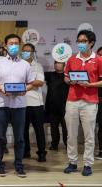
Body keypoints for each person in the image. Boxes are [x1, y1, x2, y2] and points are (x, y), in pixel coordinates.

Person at [0, 34, 35, 177]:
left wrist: (23, 90)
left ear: (19, 45)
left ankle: (19, 165)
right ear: (5, 45)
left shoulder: (26, 64)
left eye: (16, 43)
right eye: (11, 43)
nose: (14, 46)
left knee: (20, 137)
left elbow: (31, 83)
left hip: (20, 106)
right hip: (2, 104)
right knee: (0, 137)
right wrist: (2, 89)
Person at [63, 30, 102, 176]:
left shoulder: (98, 60)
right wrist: (69, 81)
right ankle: (72, 162)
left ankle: (87, 164)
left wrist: (90, 85)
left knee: (89, 135)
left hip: (90, 102)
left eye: (83, 41)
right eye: (79, 41)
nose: (80, 43)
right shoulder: (72, 59)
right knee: (71, 134)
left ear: (91, 43)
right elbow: (66, 78)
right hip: (72, 100)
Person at [21, 43, 47, 162]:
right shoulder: (17, 65)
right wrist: (31, 82)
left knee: (39, 130)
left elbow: (39, 82)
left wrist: (25, 83)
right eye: (24, 50)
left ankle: (42, 153)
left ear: (33, 53)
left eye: (29, 51)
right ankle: (25, 151)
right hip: (21, 103)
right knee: (23, 130)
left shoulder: (38, 66)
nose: (26, 53)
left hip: (36, 103)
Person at [45, 61, 68, 151]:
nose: (56, 65)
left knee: (66, 129)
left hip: (65, 107)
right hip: (52, 106)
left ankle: (68, 145)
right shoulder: (50, 75)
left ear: (64, 65)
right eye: (55, 63)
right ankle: (54, 145)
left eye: (59, 63)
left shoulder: (68, 75)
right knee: (53, 128)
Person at [95, 46, 102, 160]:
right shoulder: (95, 69)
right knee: (101, 127)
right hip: (98, 100)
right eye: (100, 55)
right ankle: (101, 150)